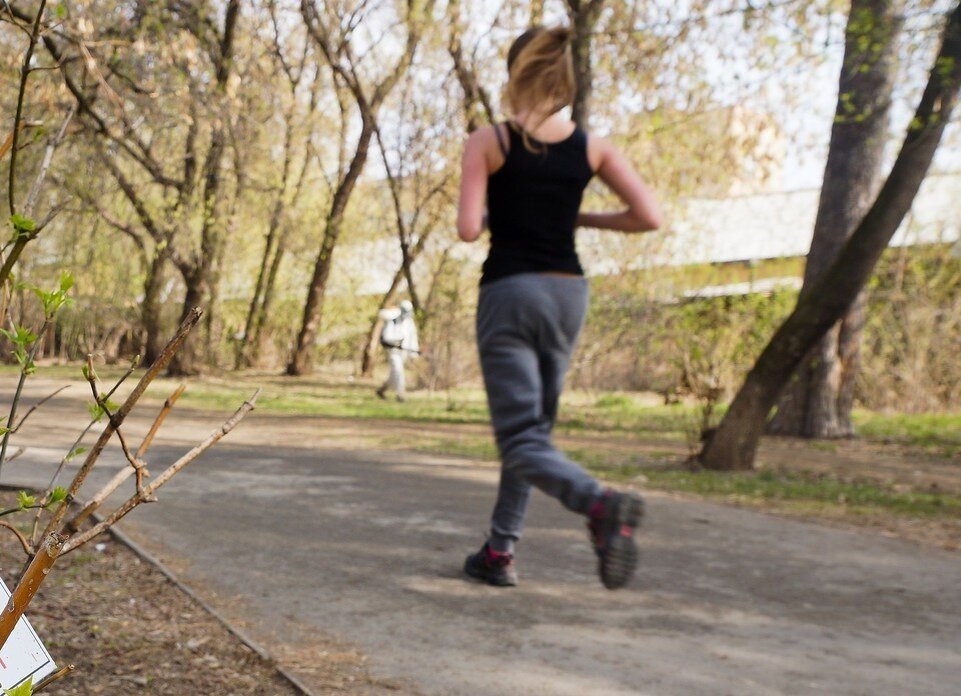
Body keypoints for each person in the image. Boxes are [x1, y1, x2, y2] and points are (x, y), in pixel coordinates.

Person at [456, 26, 662, 590]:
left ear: (514, 75)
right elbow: (648, 216)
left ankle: (599, 504)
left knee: (521, 436)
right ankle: (499, 552)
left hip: (511, 291)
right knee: (532, 435)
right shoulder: (591, 147)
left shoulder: (489, 141)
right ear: (566, 81)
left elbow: (469, 228)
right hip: (568, 292)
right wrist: (583, 218)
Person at [376, 300, 419, 402]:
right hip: (393, 351)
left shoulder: (409, 321)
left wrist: (414, 352)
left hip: (404, 352)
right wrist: (397, 342)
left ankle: (382, 390)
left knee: (394, 374)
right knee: (398, 371)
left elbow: (413, 336)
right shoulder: (393, 320)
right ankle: (401, 395)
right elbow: (387, 336)